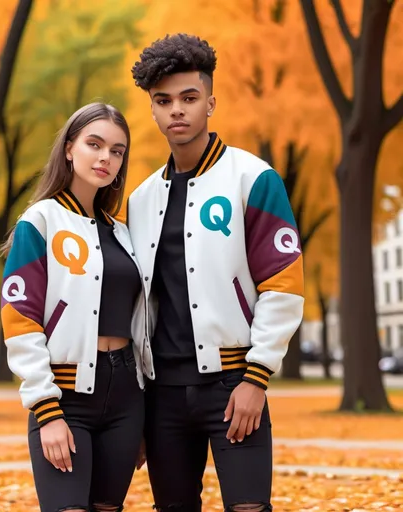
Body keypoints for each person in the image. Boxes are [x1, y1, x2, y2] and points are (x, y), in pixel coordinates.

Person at [127, 34, 304, 512]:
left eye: (189, 98)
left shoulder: (253, 178)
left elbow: (283, 284)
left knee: (248, 507)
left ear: (211, 102)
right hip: (162, 392)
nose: (176, 111)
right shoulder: (140, 200)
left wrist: (257, 378)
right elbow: (139, 303)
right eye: (163, 101)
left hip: (233, 385)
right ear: (153, 111)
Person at [0, 102, 147, 512]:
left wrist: (144, 411)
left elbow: (142, 321)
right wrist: (47, 411)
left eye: (117, 151)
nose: (105, 158)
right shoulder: (41, 220)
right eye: (94, 144)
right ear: (69, 148)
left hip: (126, 395)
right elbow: (20, 317)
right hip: (65, 394)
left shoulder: (124, 233)